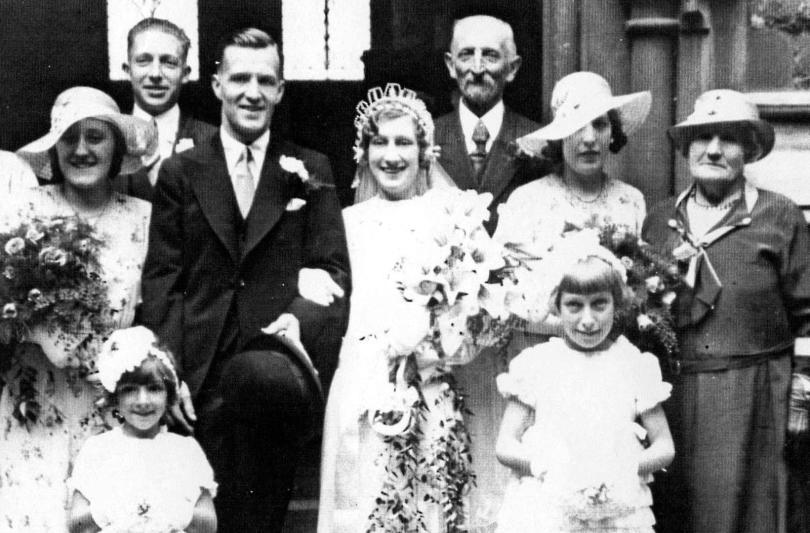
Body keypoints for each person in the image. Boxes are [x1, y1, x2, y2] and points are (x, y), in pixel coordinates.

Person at [141, 28, 350, 533]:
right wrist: (170, 374)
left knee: (261, 520)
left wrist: (293, 334)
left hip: (274, 380)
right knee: (191, 517)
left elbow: (334, 273)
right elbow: (164, 278)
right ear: (216, 85)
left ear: (281, 90)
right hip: (199, 376)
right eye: (239, 78)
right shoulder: (181, 171)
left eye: (265, 80)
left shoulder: (309, 168)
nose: (252, 92)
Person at [642, 89, 810, 533]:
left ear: (750, 150)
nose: (713, 149)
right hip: (674, 397)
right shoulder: (660, 220)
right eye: (702, 137)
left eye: (729, 139)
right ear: (686, 147)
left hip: (755, 398)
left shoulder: (780, 216)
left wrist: (801, 397)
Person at [318, 84, 483, 532]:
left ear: (425, 150)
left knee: (429, 502)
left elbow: (474, 308)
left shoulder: (449, 217)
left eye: (403, 142)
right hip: (362, 380)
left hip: (426, 382)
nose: (391, 156)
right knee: (365, 499)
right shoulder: (347, 223)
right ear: (364, 151)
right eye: (380, 142)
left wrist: (439, 349)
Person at [0, 86, 156, 531]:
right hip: (35, 400)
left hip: (112, 407)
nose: (82, 150)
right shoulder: (22, 210)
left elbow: (162, 313)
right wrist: (38, 334)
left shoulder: (145, 218)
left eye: (95, 137)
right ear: (53, 149)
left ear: (116, 148)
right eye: (69, 138)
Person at [495, 240, 674, 532]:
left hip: (614, 509)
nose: (588, 320)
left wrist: (625, 469)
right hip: (546, 506)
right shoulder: (536, 363)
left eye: (599, 304)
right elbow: (505, 445)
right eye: (574, 306)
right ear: (556, 305)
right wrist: (549, 468)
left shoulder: (634, 364)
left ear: (616, 302)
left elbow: (664, 445)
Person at [68, 326, 216, 533]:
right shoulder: (98, 449)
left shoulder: (185, 450)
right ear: (115, 398)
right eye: (130, 390)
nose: (143, 401)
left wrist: (168, 507)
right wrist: (120, 506)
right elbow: (77, 524)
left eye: (154, 389)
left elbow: (207, 525)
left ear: (169, 395)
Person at [436, 13, 541, 234]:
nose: (476, 69)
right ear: (450, 65)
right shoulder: (427, 137)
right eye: (465, 55)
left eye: (490, 56)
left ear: (512, 68)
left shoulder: (539, 138)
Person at [114, 17, 216, 201]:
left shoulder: (214, 141)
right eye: (143, 61)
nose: (155, 74)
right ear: (127, 70)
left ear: (185, 74)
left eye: (169, 62)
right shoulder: (106, 139)